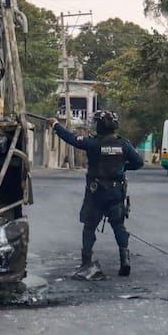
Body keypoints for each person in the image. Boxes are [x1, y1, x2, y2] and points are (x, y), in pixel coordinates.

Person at [47, 110, 144, 277]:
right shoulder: (123, 144)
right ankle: (125, 260)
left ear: (99, 125)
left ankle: (86, 262)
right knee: (119, 226)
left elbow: (71, 138)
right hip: (116, 193)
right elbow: (138, 162)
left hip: (96, 193)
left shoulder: (93, 143)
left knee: (89, 227)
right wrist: (122, 167)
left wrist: (55, 125)